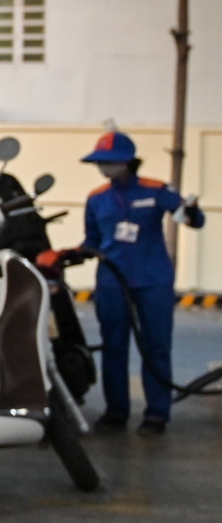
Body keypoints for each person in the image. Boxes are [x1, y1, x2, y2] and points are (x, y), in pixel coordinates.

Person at [72, 130, 203, 434]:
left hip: (153, 281)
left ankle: (156, 414)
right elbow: (92, 241)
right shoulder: (96, 198)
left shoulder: (156, 191)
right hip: (112, 282)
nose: (104, 168)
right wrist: (67, 255)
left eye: (110, 162)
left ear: (128, 162)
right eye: (100, 163)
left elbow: (192, 220)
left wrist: (191, 211)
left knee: (156, 346)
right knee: (114, 346)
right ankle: (116, 411)